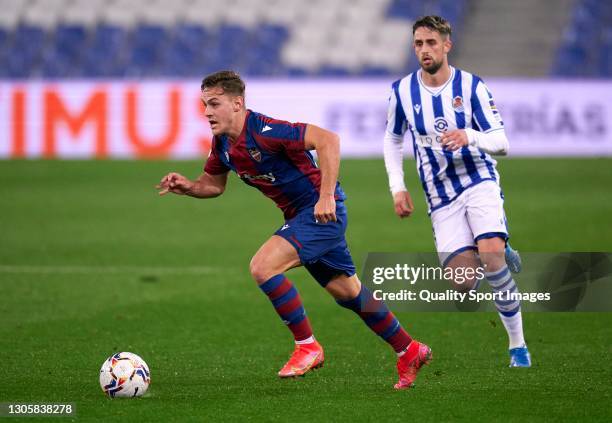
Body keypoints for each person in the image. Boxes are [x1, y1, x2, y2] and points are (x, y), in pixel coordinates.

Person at [157, 70, 431, 389]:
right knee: (348, 293)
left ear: (236, 103)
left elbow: (328, 140)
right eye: (204, 104)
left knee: (263, 266)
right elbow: (213, 185)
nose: (206, 112)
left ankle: (307, 346)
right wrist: (189, 186)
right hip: (304, 217)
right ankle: (409, 349)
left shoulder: (267, 131)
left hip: (320, 212)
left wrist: (326, 196)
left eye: (213, 104)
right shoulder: (222, 146)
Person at [382, 16, 531, 367]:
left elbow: (502, 142)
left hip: (478, 179)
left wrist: (470, 135)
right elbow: (392, 138)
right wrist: (397, 187)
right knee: (463, 283)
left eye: (431, 43)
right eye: (418, 43)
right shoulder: (402, 91)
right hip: (439, 193)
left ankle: (518, 346)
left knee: (491, 257)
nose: (424, 50)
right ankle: (498, 244)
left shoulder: (472, 87)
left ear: (447, 45)